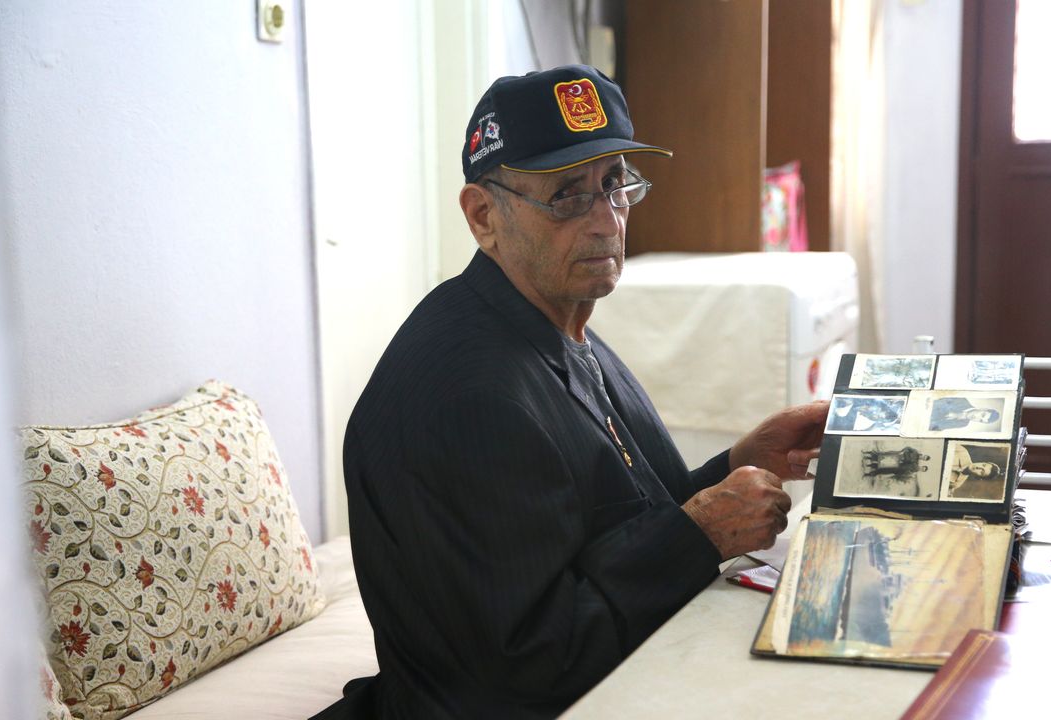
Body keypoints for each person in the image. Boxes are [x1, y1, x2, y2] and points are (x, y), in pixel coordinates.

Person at [315, 65, 829, 719]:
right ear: (483, 216)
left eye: (614, 184)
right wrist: (699, 536)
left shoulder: (552, 319)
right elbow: (524, 670)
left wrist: (738, 463)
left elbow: (616, 522)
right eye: (566, 196)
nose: (606, 222)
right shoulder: (468, 398)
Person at [928, 396, 1001, 431]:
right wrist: (956, 413)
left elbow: (937, 428)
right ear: (983, 409)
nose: (977, 418)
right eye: (982, 415)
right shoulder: (962, 400)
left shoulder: (963, 424)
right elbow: (933, 403)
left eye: (981, 420)